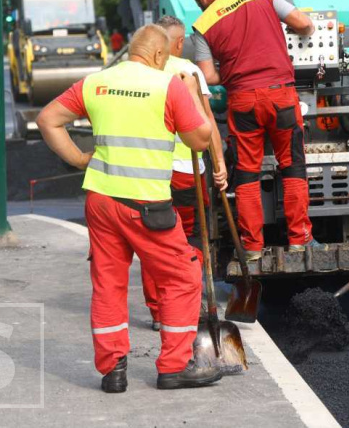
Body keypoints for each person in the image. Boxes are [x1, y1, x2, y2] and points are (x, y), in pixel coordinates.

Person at [37, 25, 223, 392]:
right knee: (183, 275)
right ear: (158, 55)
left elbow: (48, 120)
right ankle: (173, 366)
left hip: (101, 200)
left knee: (108, 283)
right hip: (146, 205)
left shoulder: (96, 83)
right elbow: (200, 139)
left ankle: (113, 371)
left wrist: (79, 158)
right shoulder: (166, 85)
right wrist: (190, 94)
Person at [189, 0, 321, 264]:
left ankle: (252, 248)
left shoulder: (202, 24)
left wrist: (237, 71)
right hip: (281, 96)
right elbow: (305, 25)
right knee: (293, 166)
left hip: (243, 100)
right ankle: (299, 240)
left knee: (247, 173)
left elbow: (208, 76)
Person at [139, 15, 227, 331]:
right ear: (178, 43)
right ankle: (188, 304)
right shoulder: (188, 71)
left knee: (153, 241)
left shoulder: (142, 71)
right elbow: (207, 123)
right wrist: (219, 163)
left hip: (149, 173)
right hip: (186, 171)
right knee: (189, 240)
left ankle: (159, 313)